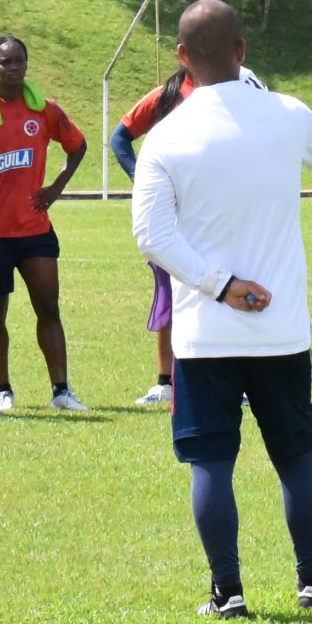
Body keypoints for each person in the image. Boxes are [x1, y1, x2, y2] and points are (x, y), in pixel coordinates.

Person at [130, 0, 312, 618]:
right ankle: (310, 580)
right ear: (243, 50)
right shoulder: (287, 112)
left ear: (181, 61)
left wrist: (220, 285)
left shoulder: (167, 134)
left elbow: (152, 237)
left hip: (207, 333)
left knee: (212, 462)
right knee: (297, 455)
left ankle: (228, 590)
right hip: (281, 330)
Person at [0, 35, 89, 411]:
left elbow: (78, 145)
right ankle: (3, 390)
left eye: (19, 61)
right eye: (5, 62)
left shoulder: (44, 110)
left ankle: (61, 391)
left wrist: (56, 187)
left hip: (35, 230)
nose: (13, 68)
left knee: (49, 307)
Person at [111, 67, 198, 409]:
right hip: (169, 213)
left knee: (220, 285)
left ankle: (231, 376)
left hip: (213, 208)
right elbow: (120, 137)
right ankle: (165, 380)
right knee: (169, 288)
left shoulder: (230, 90)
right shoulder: (166, 95)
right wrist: (144, 180)